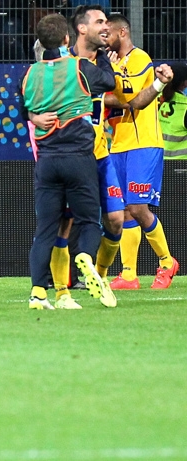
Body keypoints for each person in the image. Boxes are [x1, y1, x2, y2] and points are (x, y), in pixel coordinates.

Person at [20, 13, 116, 310]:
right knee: (89, 220)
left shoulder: (30, 74)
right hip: (77, 157)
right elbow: (110, 82)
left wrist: (33, 117)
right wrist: (105, 59)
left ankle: (38, 293)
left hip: (47, 161)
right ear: (67, 40)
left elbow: (21, 106)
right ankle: (86, 256)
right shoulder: (80, 67)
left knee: (45, 229)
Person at [104, 13, 178, 290]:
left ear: (122, 32)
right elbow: (109, 97)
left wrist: (107, 87)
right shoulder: (116, 62)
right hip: (119, 143)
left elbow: (131, 100)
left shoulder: (138, 59)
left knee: (138, 207)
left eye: (108, 32)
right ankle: (129, 274)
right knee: (124, 211)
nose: (104, 37)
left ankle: (167, 262)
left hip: (143, 142)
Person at [159, 62, 187, 159]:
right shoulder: (185, 106)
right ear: (185, 83)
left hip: (157, 160)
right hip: (180, 164)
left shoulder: (157, 99)